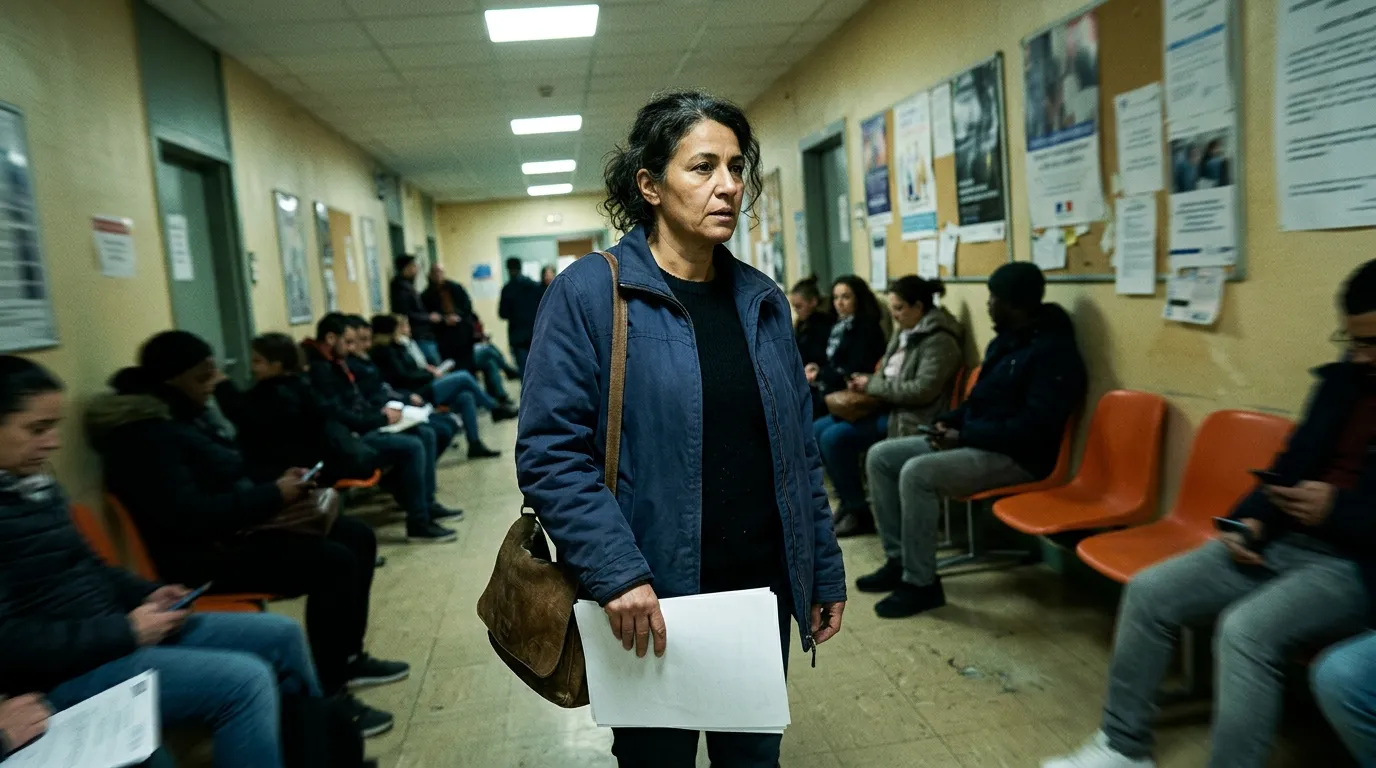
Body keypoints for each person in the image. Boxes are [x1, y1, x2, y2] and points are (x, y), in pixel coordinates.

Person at [516, 90, 846, 767]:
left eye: (736, 167)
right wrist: (616, 574)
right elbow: (551, 454)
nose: (728, 186)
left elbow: (798, 453)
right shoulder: (591, 295)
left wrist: (821, 570)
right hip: (648, 599)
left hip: (755, 596)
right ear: (650, 185)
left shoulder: (762, 301)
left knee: (752, 761)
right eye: (703, 167)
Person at [1044, 263, 1376, 768]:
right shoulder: (1343, 382)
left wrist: (1337, 509)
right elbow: (1290, 463)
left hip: (1353, 565)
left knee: (1246, 632)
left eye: (1372, 343)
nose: (1360, 355)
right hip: (1282, 540)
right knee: (1150, 592)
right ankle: (1122, 747)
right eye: (1352, 341)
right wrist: (1250, 522)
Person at [0, 355, 326, 765]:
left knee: (281, 634)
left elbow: (92, 569)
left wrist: (149, 593)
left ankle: (319, 751)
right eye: (37, 429)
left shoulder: (37, 488)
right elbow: (10, 640)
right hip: (65, 671)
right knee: (244, 681)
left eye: (54, 427)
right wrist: (126, 631)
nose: (53, 443)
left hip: (112, 634)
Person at [87, 331, 407, 739]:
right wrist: (272, 494)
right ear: (172, 379)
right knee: (333, 563)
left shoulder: (182, 417)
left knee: (356, 535)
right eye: (203, 377)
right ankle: (329, 691)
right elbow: (190, 516)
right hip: (199, 557)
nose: (214, 383)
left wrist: (278, 482)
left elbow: (229, 471)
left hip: (232, 531)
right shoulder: (147, 437)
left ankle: (348, 657)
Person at [859, 262, 1085, 619]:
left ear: (1015, 303)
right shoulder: (1006, 341)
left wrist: (964, 435)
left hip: (1019, 457)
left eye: (993, 298)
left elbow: (1034, 428)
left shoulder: (1054, 354)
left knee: (918, 473)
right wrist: (948, 422)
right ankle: (899, 560)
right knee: (881, 456)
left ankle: (921, 584)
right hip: (976, 440)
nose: (988, 305)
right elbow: (978, 402)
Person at [818, 276, 963, 537]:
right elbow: (887, 373)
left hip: (912, 415)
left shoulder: (939, 341)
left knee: (834, 438)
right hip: (887, 404)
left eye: (899, 308)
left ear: (918, 307)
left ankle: (858, 511)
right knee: (817, 429)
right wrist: (866, 382)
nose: (894, 315)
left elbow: (921, 391)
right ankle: (849, 503)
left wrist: (873, 385)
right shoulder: (905, 331)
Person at [303, 314, 459, 542]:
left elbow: (357, 403)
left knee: (425, 433)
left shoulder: (335, 364)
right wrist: (380, 419)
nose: (352, 348)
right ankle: (418, 521)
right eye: (348, 342)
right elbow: (341, 414)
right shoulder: (321, 371)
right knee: (413, 445)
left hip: (363, 426)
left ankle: (426, 504)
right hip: (350, 439)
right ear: (330, 338)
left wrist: (383, 414)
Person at [371, 315, 511, 458]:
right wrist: (430, 374)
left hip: (422, 385)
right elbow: (403, 377)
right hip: (416, 391)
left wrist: (428, 371)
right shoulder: (385, 352)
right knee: (463, 376)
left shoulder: (399, 347)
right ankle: (495, 408)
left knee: (466, 397)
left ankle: (475, 444)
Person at [341, 315, 459, 463]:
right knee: (427, 435)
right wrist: (389, 410)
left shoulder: (370, 360)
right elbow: (368, 399)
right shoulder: (365, 360)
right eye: (357, 341)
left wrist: (404, 398)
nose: (367, 345)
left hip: (394, 402)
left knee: (451, 415)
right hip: (379, 415)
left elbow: (383, 388)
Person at [421, 264, 514, 405]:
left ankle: (500, 397)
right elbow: (430, 318)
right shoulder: (426, 296)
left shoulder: (455, 288)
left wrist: (458, 317)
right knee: (488, 352)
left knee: (489, 362)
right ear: (430, 275)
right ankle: (507, 371)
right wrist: (444, 319)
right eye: (435, 272)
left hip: (465, 337)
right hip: (448, 345)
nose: (438, 275)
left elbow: (467, 307)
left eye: (440, 272)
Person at [806, 275, 887, 418]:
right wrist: (816, 368)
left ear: (858, 299)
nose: (839, 303)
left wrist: (820, 374)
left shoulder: (867, 328)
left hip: (851, 391)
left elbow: (854, 368)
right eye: (836, 297)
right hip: (830, 386)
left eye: (846, 297)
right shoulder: (837, 325)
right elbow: (831, 360)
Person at [389, 254, 440, 366]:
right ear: (406, 268)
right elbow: (406, 312)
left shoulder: (408, 285)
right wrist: (428, 317)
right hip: (418, 333)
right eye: (414, 266)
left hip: (422, 332)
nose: (416, 269)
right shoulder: (401, 288)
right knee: (432, 364)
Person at [498, 257, 545, 377]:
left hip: (517, 336)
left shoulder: (507, 289)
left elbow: (502, 314)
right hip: (535, 333)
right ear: (520, 267)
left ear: (508, 269)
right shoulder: (533, 285)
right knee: (539, 369)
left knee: (524, 372)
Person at [789, 275, 835, 368]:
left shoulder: (823, 324)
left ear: (813, 302)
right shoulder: (801, 324)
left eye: (799, 306)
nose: (796, 311)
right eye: (794, 307)